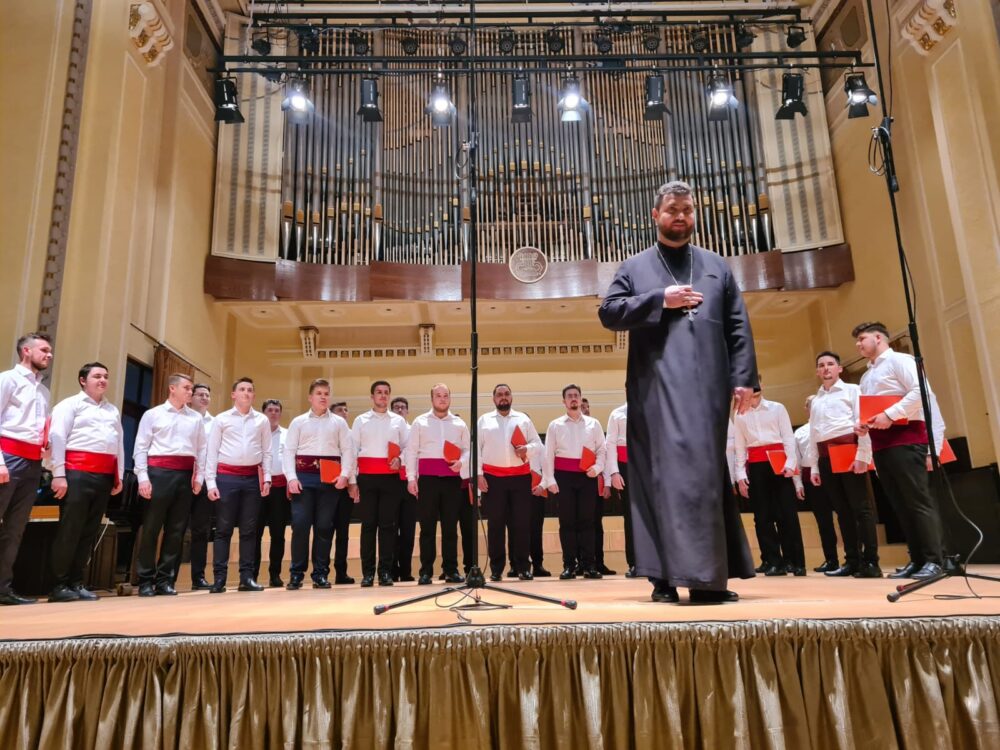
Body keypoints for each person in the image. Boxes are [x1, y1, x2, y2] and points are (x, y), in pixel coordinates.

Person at [598, 180, 758, 604]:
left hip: (707, 390)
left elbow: (738, 325)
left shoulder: (716, 266)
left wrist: (744, 378)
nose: (681, 216)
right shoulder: (635, 267)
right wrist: (659, 300)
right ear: (656, 215)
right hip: (655, 389)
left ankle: (708, 578)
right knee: (661, 479)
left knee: (704, 479)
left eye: (687, 210)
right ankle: (663, 578)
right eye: (672, 210)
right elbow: (609, 313)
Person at [854, 321, 946, 580]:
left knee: (918, 502)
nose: (858, 345)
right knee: (900, 505)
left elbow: (921, 392)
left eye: (862, 338)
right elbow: (874, 410)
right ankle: (917, 560)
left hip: (906, 440)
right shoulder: (866, 374)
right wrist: (865, 425)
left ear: (879, 338)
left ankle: (934, 560)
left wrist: (890, 414)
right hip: (882, 445)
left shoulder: (900, 361)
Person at [48, 362, 125, 601]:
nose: (103, 380)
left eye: (106, 376)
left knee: (89, 532)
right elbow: (58, 438)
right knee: (70, 530)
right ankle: (58, 585)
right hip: (76, 474)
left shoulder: (112, 410)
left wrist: (118, 475)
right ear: (83, 380)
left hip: (103, 476)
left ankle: (76, 581)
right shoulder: (69, 405)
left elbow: (118, 443)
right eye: (97, 376)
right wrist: (58, 474)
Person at [807, 352, 881, 578]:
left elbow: (863, 423)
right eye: (821, 365)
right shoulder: (816, 400)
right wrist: (815, 467)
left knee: (861, 509)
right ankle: (852, 560)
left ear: (839, 368)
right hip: (825, 456)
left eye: (830, 364)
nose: (826, 368)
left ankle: (871, 562)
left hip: (850, 451)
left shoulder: (853, 390)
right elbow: (813, 434)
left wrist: (863, 456)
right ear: (818, 371)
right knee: (842, 512)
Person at [133, 373, 206, 597]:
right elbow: (141, 447)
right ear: (172, 388)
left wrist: (199, 477)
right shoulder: (152, 414)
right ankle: (145, 580)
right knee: (152, 529)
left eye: (191, 388)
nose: (190, 392)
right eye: (186, 387)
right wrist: (143, 477)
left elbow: (201, 449)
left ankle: (165, 579)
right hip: (158, 474)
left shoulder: (195, 418)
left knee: (176, 531)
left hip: (184, 475)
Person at [284, 380, 354, 590]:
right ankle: (296, 574)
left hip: (330, 481)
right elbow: (288, 451)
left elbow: (348, 450)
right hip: (304, 479)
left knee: (325, 527)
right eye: (319, 393)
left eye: (326, 393)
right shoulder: (298, 422)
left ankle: (320, 574)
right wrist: (291, 478)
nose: (323, 397)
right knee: (301, 526)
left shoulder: (339, 423)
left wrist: (344, 475)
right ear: (310, 397)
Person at [204, 377, 271, 593]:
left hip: (252, 479)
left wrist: (267, 478)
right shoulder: (221, 419)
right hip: (226, 478)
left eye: (250, 390)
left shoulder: (262, 420)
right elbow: (211, 452)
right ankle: (219, 579)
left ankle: (246, 578)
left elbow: (267, 451)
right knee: (223, 530)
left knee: (249, 531)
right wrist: (211, 482)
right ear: (233, 394)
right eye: (242, 389)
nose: (246, 393)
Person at [0, 332, 53, 606]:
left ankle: (3, 588)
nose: (49, 354)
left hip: (33, 463)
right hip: (7, 457)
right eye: (43, 350)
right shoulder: (6, 379)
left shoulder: (43, 390)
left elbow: (41, 429)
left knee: (16, 528)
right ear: (26, 351)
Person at [734, 388, 806, 577]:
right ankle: (774, 561)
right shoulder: (739, 414)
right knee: (763, 516)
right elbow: (740, 446)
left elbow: (788, 437)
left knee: (788, 514)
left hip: (779, 461)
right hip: (757, 464)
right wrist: (740, 474)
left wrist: (791, 463)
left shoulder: (777, 408)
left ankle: (797, 562)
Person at [406, 384, 470, 585]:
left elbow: (468, 450)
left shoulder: (459, 423)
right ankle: (425, 571)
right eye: (438, 395)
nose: (442, 399)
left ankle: (451, 570)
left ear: (450, 398)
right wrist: (411, 478)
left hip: (452, 481)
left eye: (445, 396)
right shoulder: (420, 422)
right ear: (431, 398)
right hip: (427, 480)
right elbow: (411, 451)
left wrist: (462, 462)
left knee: (451, 528)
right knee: (427, 528)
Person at [477, 384, 542, 582]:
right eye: (499, 395)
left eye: (506, 394)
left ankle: (523, 566)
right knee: (495, 524)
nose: (503, 398)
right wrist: (478, 475)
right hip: (493, 478)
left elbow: (537, 444)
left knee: (521, 523)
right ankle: (496, 568)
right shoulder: (484, 420)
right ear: (493, 399)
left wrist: (527, 449)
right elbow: (476, 449)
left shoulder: (523, 419)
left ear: (511, 397)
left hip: (520, 478)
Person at [349, 380, 409, 587]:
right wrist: (352, 480)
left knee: (387, 526)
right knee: (368, 526)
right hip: (366, 479)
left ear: (389, 396)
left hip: (390, 479)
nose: (382, 396)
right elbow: (351, 451)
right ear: (372, 397)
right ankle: (367, 573)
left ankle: (385, 572)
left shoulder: (399, 422)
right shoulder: (360, 420)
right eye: (379, 392)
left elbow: (409, 447)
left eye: (386, 393)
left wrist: (401, 459)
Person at [543, 384, 606, 580]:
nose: (573, 399)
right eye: (569, 396)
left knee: (588, 522)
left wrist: (597, 468)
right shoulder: (555, 425)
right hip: (564, 477)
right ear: (564, 401)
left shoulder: (593, 424)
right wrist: (550, 479)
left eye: (576, 396)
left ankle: (589, 565)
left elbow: (602, 450)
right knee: (567, 522)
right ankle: (569, 565)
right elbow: (548, 455)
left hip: (587, 476)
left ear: (580, 399)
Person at [793, 395, 840, 573]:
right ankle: (831, 559)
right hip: (810, 477)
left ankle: (854, 557)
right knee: (823, 521)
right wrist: (798, 483)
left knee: (845, 514)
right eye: (811, 406)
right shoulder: (800, 433)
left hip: (833, 470)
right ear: (807, 409)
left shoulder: (831, 427)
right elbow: (796, 460)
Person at [255, 399, 290, 587]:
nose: (274, 413)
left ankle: (274, 575)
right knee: (255, 533)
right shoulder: (256, 432)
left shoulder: (287, 434)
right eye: (270, 410)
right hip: (258, 488)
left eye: (277, 410)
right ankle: (251, 574)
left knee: (278, 534)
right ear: (263, 412)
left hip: (279, 489)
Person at [187, 383, 215, 589]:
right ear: (191, 398)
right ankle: (164, 576)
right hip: (182, 477)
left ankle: (198, 577)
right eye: (200, 394)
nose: (204, 398)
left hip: (205, 481)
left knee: (201, 531)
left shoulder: (216, 423)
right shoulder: (183, 417)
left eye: (207, 395)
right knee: (174, 528)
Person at [603, 401, 635, 577]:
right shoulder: (617, 414)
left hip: (649, 468)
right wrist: (614, 472)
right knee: (631, 516)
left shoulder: (654, 408)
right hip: (625, 468)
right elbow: (610, 444)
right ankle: (635, 562)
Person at [390, 396, 417, 582]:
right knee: (390, 529)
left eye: (403, 407)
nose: (400, 410)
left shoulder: (413, 431)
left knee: (408, 529)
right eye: (396, 407)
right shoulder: (387, 431)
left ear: (407, 411)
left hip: (409, 482)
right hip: (391, 483)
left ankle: (406, 570)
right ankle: (390, 570)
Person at [330, 400, 354, 583]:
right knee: (324, 529)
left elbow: (354, 461)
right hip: (326, 486)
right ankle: (321, 572)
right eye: (340, 410)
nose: (344, 413)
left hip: (346, 487)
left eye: (346, 410)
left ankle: (341, 572)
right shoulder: (327, 433)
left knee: (343, 532)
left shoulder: (352, 434)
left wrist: (352, 482)